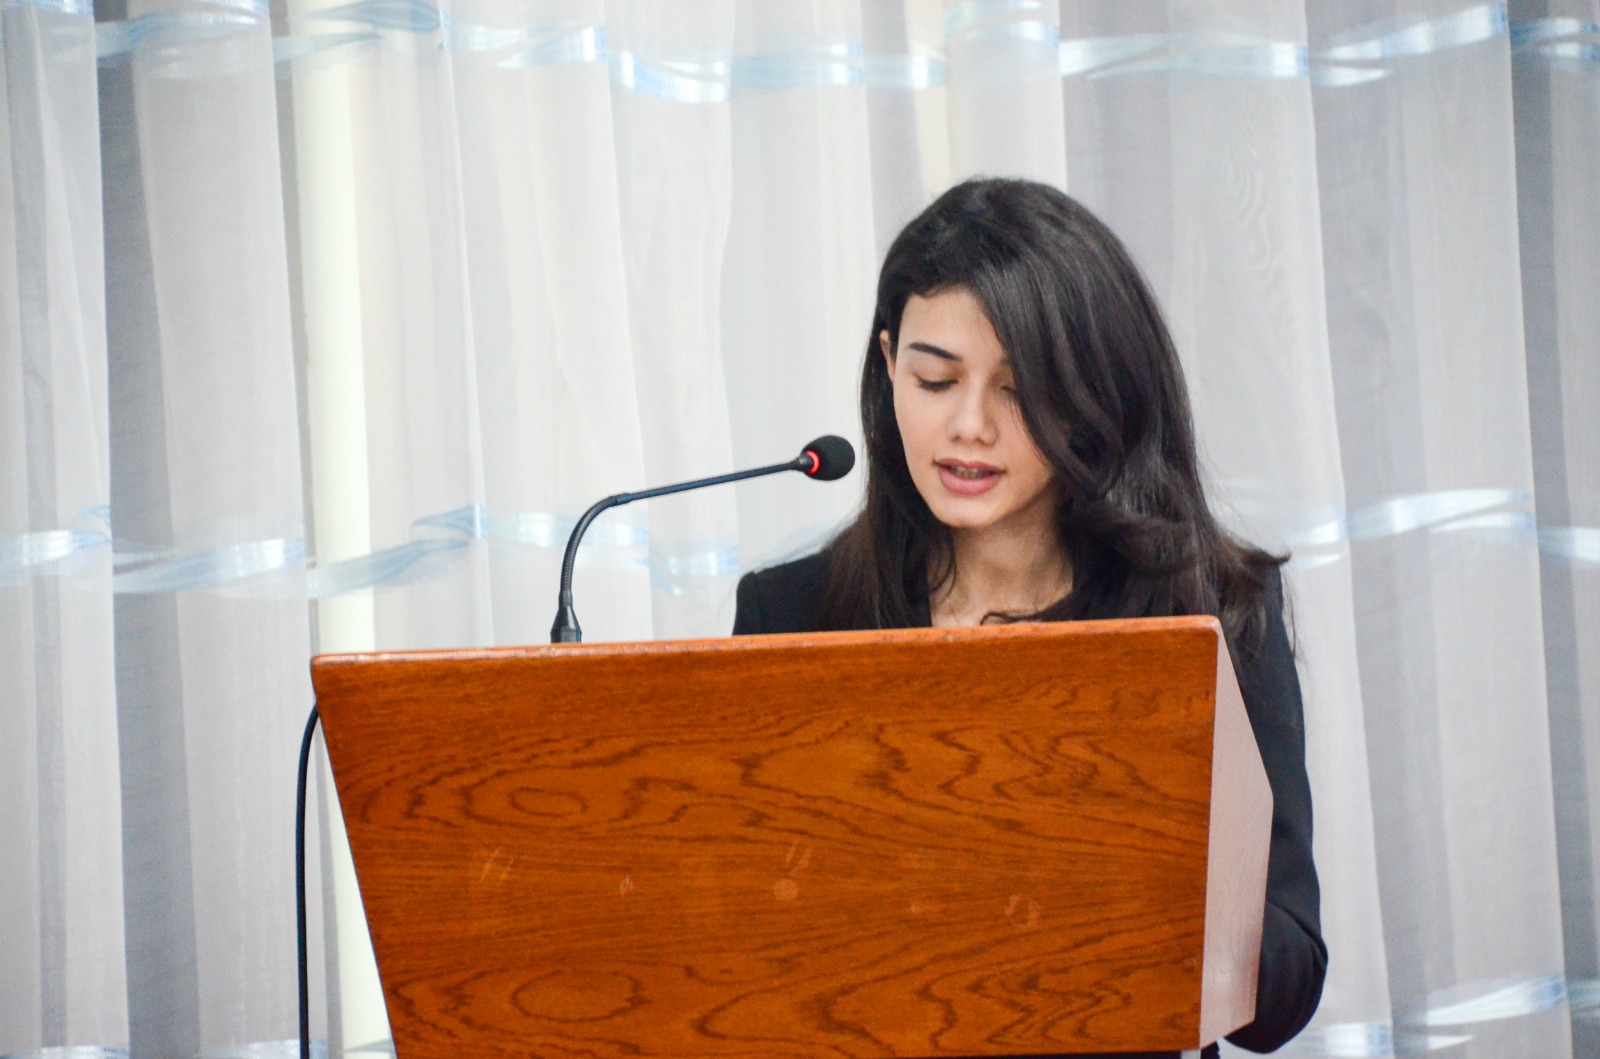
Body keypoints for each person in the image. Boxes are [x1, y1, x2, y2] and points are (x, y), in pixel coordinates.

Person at [732, 178, 1325, 1056]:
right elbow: (748, 939)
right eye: (935, 379)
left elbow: (1288, 986)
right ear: (889, 364)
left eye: (1016, 390)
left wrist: (1147, 877)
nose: (968, 425)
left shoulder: (1209, 608)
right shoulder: (790, 615)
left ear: (1093, 393)